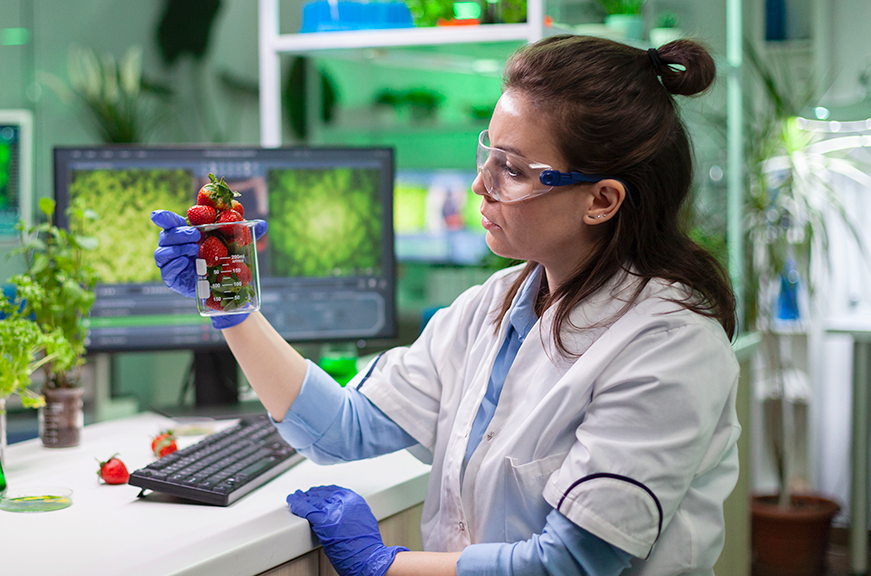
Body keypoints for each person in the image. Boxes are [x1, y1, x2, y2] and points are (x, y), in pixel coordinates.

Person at [152, 35, 739, 576]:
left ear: (602, 200)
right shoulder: (495, 305)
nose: (480, 185)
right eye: (488, 153)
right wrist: (232, 306)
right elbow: (342, 430)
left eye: (512, 169)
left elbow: (572, 562)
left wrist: (386, 565)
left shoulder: (668, 345)